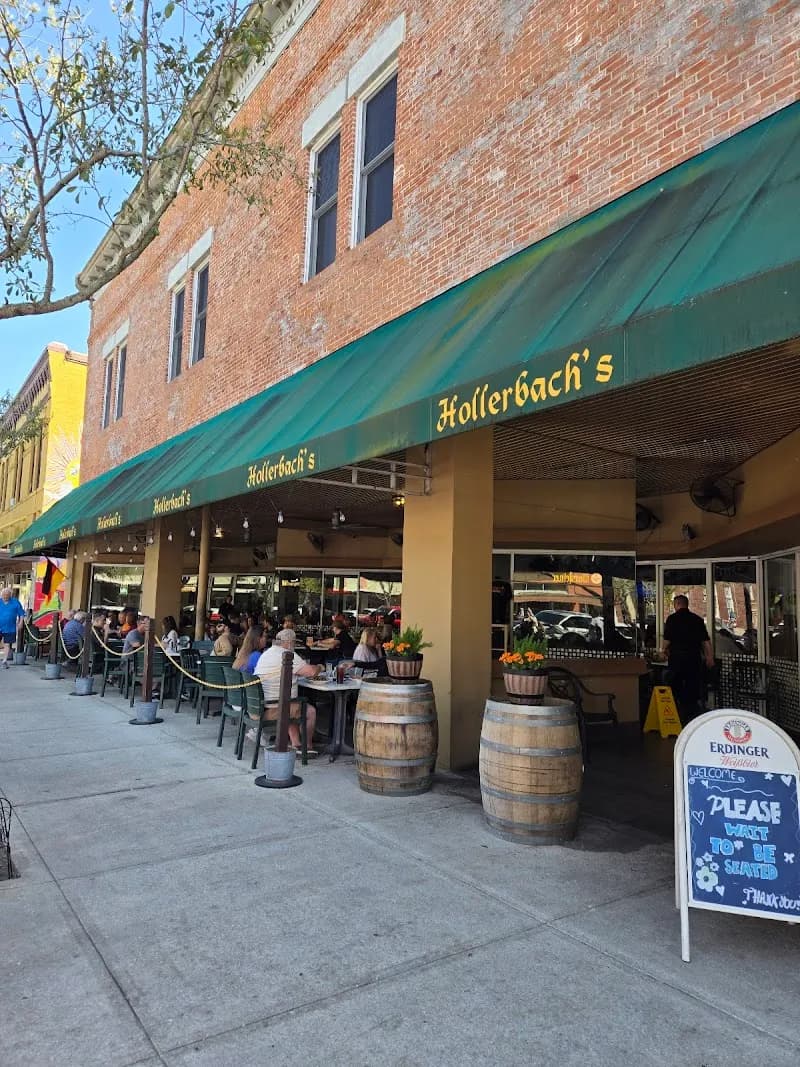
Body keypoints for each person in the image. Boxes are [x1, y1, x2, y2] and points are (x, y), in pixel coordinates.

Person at [254, 630, 321, 753]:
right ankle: (308, 747)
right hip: (276, 708)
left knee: (292, 704)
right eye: (294, 643)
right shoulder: (288, 655)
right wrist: (320, 667)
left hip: (260, 706)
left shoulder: (266, 653)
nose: (294, 646)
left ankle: (296, 743)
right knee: (309, 711)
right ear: (289, 642)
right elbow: (311, 672)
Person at [662, 595, 714, 723]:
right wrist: (709, 658)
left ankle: (678, 713)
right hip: (693, 657)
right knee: (692, 685)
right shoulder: (697, 620)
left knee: (676, 685)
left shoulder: (672, 619)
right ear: (687, 604)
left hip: (677, 658)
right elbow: (706, 641)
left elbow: (667, 640)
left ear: (677, 604)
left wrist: (662, 651)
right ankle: (692, 715)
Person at [0, 586, 25, 668]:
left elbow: (21, 613)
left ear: (10, 595)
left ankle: (4, 661)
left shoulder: (15, 602)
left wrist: (21, 622)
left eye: (7, 595)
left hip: (10, 627)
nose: (5, 596)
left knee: (7, 644)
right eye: (4, 595)